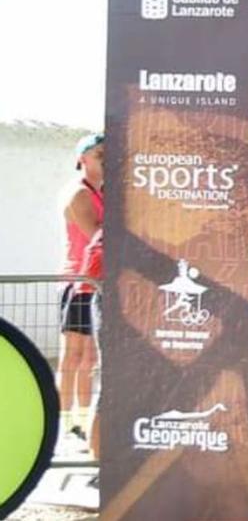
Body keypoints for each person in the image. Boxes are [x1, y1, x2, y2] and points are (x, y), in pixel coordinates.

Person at [59, 133, 105, 451]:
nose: (105, 157)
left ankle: (85, 419)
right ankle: (65, 420)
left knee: (91, 356)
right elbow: (96, 236)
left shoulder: (106, 193)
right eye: (99, 152)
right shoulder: (78, 194)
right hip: (78, 282)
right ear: (83, 158)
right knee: (73, 354)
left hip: (97, 282)